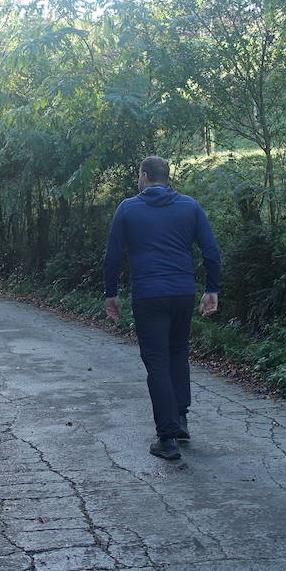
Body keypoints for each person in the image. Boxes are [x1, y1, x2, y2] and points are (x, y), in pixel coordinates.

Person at [103, 156, 221, 461]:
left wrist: (111, 294)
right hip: (182, 291)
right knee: (178, 352)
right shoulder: (190, 206)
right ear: (166, 177)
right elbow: (210, 249)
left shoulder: (128, 208)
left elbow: (113, 255)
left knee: (156, 361)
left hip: (148, 295)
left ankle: (167, 437)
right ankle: (180, 419)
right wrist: (211, 289)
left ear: (144, 175)